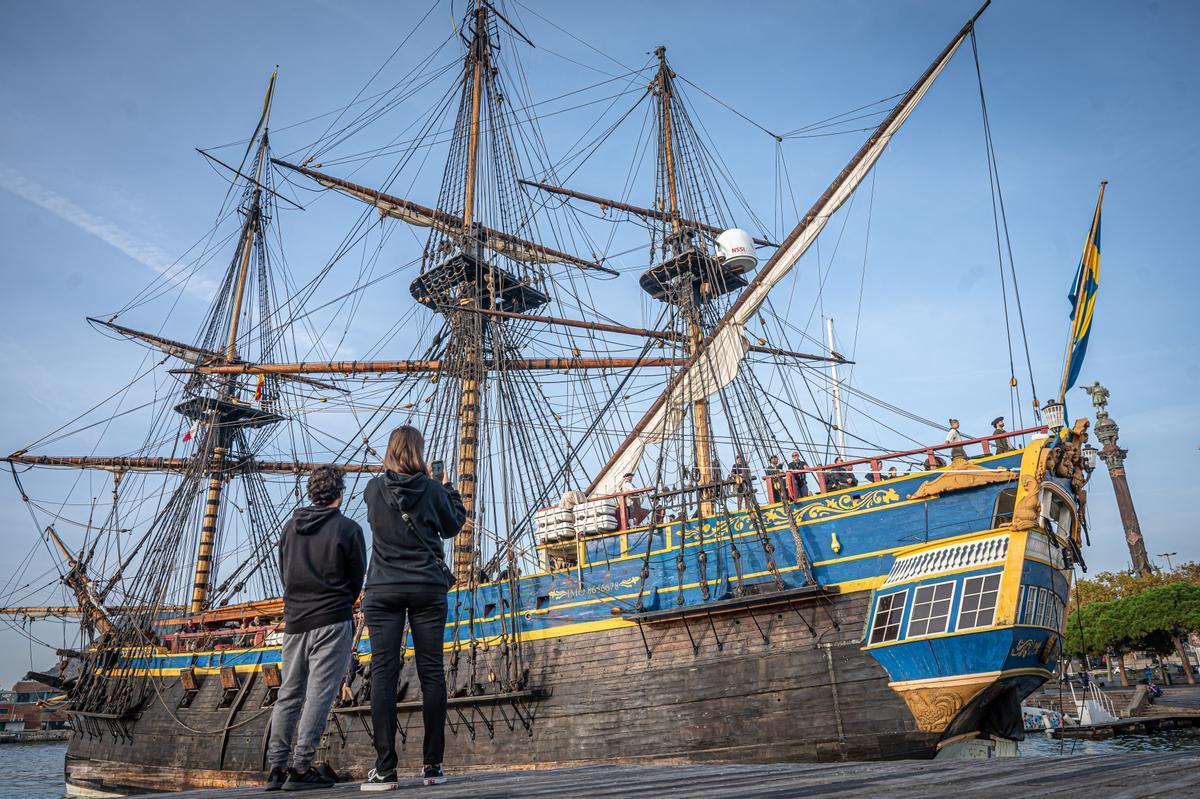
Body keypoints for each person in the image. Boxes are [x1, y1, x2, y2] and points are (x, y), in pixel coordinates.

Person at [361, 426, 465, 790]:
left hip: (384, 588)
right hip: (426, 587)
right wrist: (446, 486)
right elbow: (453, 525)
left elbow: (376, 522)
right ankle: (433, 765)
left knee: (384, 675)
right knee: (432, 674)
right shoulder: (434, 490)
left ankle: (386, 768)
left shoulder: (373, 490)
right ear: (420, 452)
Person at [266, 466, 366, 791]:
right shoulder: (348, 529)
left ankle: (275, 770)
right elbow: (356, 579)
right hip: (333, 620)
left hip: (295, 620)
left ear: (312, 492)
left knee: (288, 694)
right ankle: (300, 768)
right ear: (340, 493)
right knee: (318, 696)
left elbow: (285, 572)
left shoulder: (289, 528)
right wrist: (340, 602)